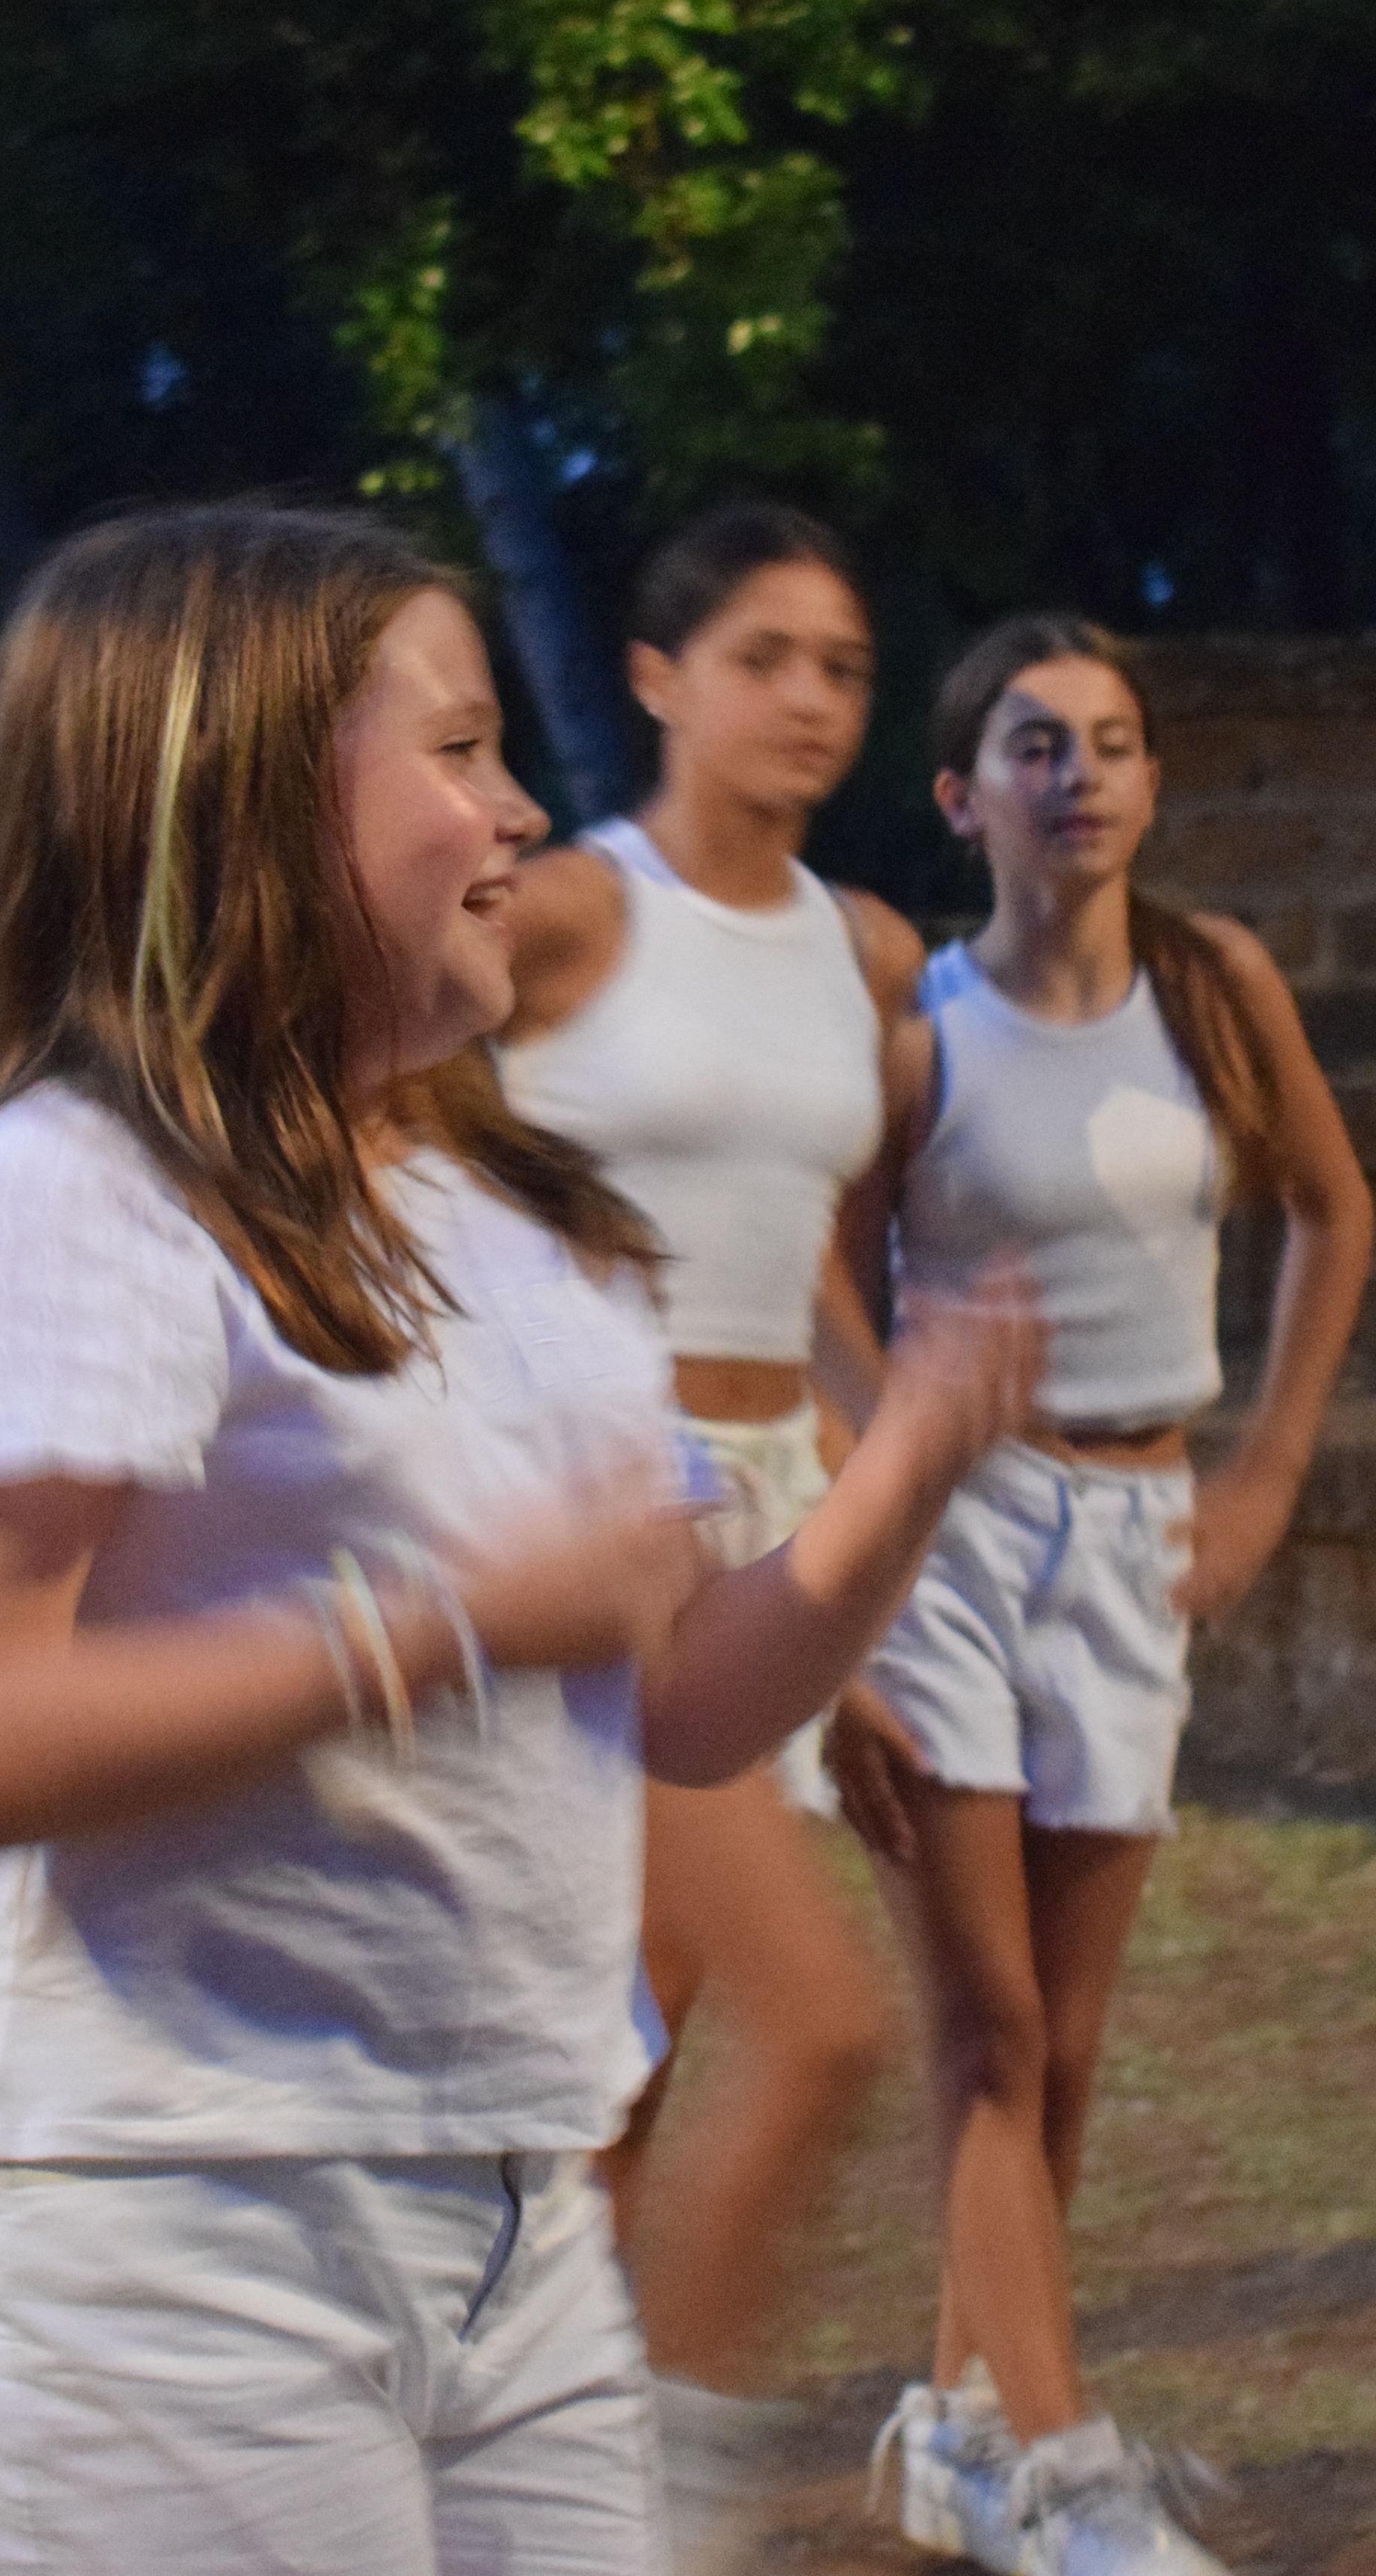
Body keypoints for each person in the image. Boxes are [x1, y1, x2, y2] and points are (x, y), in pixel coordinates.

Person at [0, 505, 1031, 2576]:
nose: (521, 808)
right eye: (456, 753)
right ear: (251, 810)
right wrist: (444, 1618)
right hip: (153, 2225)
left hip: (510, 2219)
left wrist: (899, 1470)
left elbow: (679, 1702)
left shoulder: (512, 1227)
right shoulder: (69, 1199)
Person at [841, 613, 1372, 2576]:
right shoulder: (919, 1038)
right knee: (980, 2023)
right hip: (959, 1539)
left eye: (1117, 741)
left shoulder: (1215, 988)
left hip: (1141, 1539)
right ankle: (1057, 2460)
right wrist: (872, 1472)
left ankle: (967, 2419)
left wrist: (1269, 1475)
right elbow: (827, 1280)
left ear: (1152, 781)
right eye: (1037, 744)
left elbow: (1334, 1205)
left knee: (1061, 2037)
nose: (1083, 775)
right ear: (962, 793)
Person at [492, 503, 914, 2569]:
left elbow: (826, 1265)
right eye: (764, 655)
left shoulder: (868, 951)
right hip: (602, 1515)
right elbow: (394, 1159)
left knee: (623, 2046)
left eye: (841, 663)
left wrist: (884, 1486)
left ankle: (517, 2467)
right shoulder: (568, 911)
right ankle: (663, 2507)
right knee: (822, 2018)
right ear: (657, 677)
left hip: (784, 1511)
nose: (811, 699)